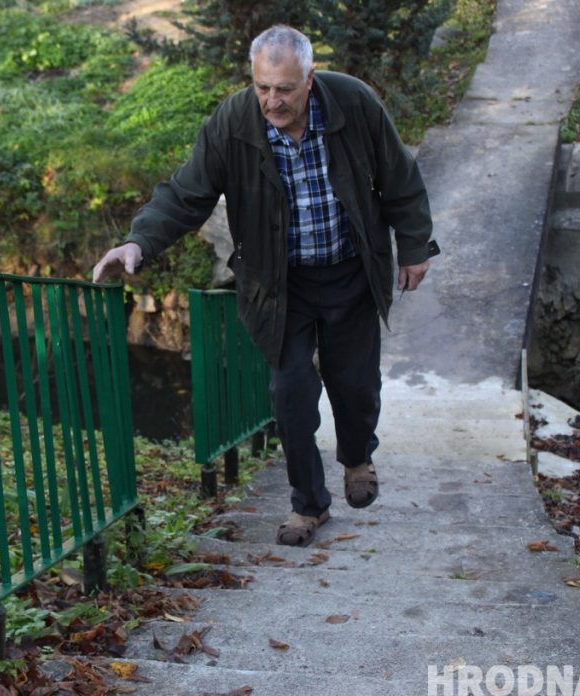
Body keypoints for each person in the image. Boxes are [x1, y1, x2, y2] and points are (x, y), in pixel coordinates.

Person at [92, 25, 435, 547]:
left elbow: (399, 176)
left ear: (310, 80)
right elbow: (186, 193)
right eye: (263, 88)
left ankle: (357, 456)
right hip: (279, 285)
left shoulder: (353, 102)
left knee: (355, 383)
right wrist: (139, 242)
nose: (272, 101)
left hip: (349, 271)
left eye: (285, 89)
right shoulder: (233, 121)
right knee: (290, 391)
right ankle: (308, 505)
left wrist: (413, 247)